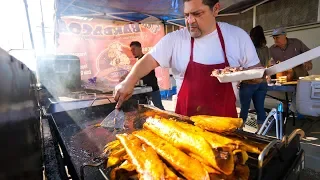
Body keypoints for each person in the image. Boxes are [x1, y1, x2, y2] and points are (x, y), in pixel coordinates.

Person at [114, 0, 262, 117]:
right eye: (186, 15)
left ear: (216, 9)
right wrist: (129, 81)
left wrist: (255, 76)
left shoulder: (237, 36)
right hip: (186, 127)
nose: (190, 21)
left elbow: (256, 70)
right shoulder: (175, 39)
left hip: (225, 125)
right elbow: (148, 60)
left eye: (197, 14)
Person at [239, 25, 269, 130]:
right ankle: (261, 131)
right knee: (260, 107)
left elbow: (245, 66)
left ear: (251, 37)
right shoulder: (266, 49)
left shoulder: (250, 49)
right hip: (263, 82)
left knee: (244, 108)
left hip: (249, 82)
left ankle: (240, 130)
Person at [120, 41, 165, 110]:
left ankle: (167, 119)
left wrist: (127, 77)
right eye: (131, 50)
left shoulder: (145, 59)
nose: (132, 52)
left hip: (152, 88)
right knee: (144, 109)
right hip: (143, 90)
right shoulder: (138, 61)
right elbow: (135, 71)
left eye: (134, 49)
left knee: (159, 107)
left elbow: (137, 71)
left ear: (140, 48)